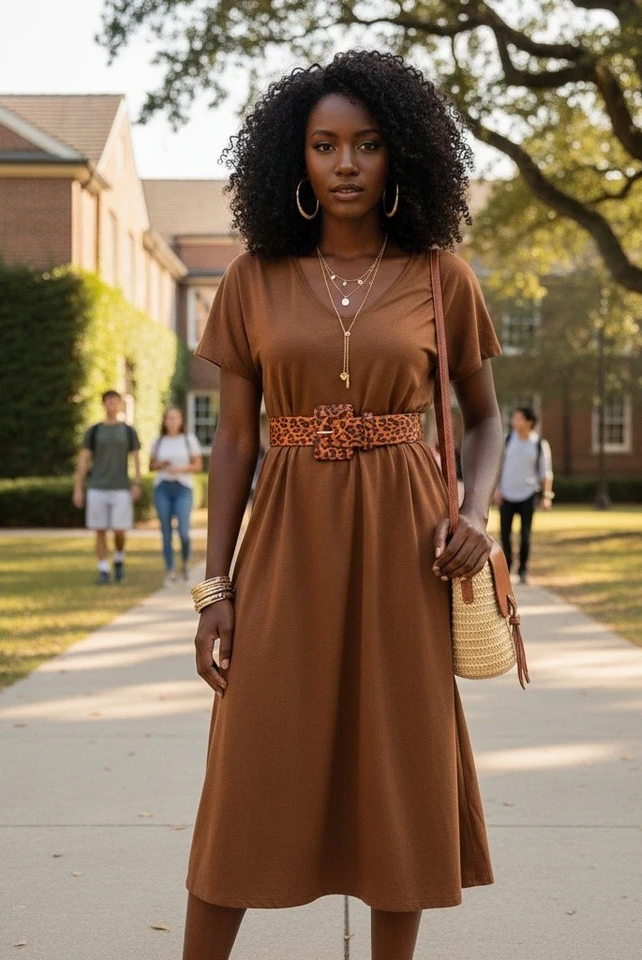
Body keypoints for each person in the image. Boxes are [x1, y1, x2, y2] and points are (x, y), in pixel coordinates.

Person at [182, 51, 505, 960]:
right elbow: (236, 441)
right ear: (298, 157)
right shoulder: (254, 277)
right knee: (250, 763)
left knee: (396, 768)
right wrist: (217, 591)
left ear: (401, 153)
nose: (348, 163)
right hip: (286, 545)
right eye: (325, 145)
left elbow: (484, 424)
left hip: (407, 552)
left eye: (367, 143)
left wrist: (474, 512)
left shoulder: (443, 276)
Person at [72, 390, 142, 585]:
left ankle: (118, 560)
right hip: (97, 486)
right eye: (108, 402)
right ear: (103, 405)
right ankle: (103, 569)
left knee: (119, 530)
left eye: (115, 402)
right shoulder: (94, 431)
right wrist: (78, 488)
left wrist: (137, 483)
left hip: (121, 487)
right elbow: (83, 460)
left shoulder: (128, 431)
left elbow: (136, 459)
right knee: (100, 530)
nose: (111, 405)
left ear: (119, 405)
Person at [492, 406, 554, 585]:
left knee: (525, 535)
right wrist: (495, 489)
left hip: (528, 494)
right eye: (514, 418)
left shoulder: (539, 444)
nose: (515, 422)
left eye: (519, 419)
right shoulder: (507, 440)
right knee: (505, 534)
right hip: (506, 495)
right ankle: (508, 567)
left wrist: (546, 497)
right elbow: (497, 467)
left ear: (529, 422)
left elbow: (546, 473)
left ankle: (523, 570)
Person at [149, 406, 203, 585]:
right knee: (165, 531)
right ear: (164, 421)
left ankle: (186, 564)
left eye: (175, 418)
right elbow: (151, 465)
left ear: (181, 421)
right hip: (163, 487)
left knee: (183, 531)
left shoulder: (189, 440)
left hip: (183, 488)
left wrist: (181, 468)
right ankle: (170, 570)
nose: (172, 421)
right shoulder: (158, 441)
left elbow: (197, 466)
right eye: (169, 418)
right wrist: (160, 464)